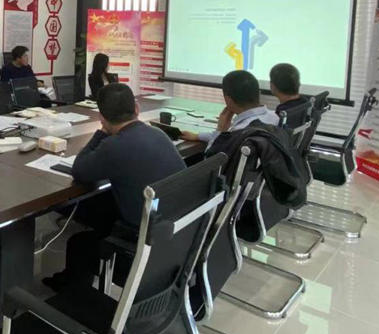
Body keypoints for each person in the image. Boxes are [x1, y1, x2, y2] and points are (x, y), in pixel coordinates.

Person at [43, 83, 185, 291]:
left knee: (79, 242)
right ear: (136, 108)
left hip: (140, 242)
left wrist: (101, 133)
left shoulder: (114, 146)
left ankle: (74, 296)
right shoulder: (158, 134)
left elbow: (79, 170)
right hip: (174, 232)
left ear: (102, 117)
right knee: (100, 205)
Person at [180, 70, 280, 148]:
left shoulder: (238, 132)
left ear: (228, 99)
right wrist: (198, 136)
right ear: (258, 93)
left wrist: (221, 130)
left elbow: (212, 158)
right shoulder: (276, 117)